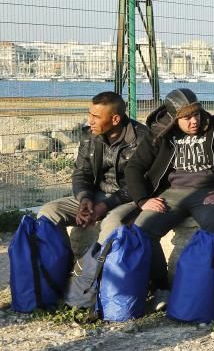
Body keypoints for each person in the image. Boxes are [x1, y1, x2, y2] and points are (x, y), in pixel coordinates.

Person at [123, 88, 214, 293]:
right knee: (143, 230)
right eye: (187, 118)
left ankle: (211, 288)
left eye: (196, 115)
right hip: (172, 192)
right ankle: (161, 288)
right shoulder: (160, 132)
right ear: (174, 118)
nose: (194, 122)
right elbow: (134, 167)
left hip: (209, 191)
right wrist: (143, 200)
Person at [37, 92, 149, 256]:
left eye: (96, 116)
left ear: (115, 119)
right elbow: (82, 173)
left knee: (112, 224)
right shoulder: (89, 135)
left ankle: (94, 276)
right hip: (96, 196)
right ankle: (61, 266)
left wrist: (104, 206)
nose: (90, 120)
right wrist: (85, 199)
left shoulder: (142, 139)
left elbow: (141, 184)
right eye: (90, 114)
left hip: (129, 199)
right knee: (48, 212)